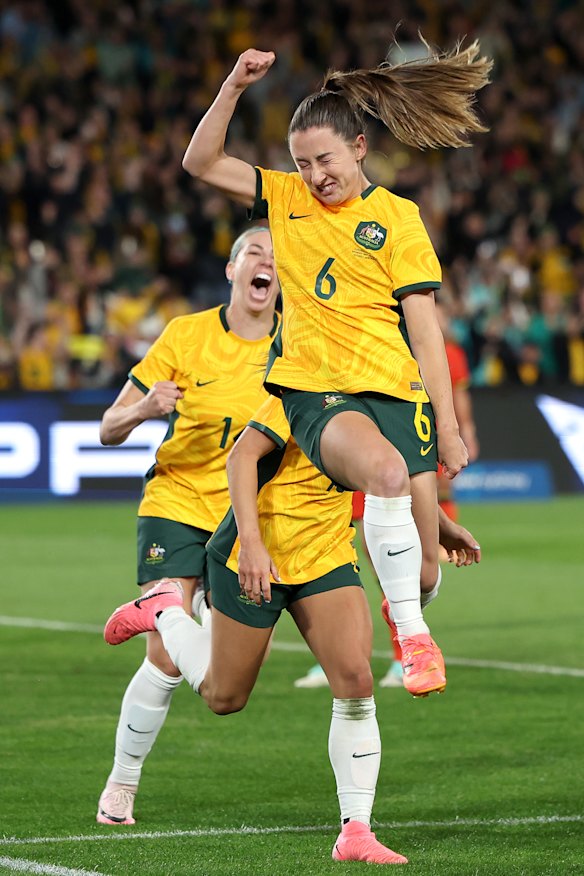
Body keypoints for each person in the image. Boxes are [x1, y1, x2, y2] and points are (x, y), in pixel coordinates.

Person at [179, 40, 492, 698]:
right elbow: (200, 161)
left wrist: (448, 427)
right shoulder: (286, 199)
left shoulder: (397, 219)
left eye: (324, 159)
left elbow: (424, 332)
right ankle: (412, 639)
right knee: (382, 476)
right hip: (318, 392)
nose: (315, 174)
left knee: (428, 571)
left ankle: (410, 610)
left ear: (358, 146)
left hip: (395, 399)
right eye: (302, 163)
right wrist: (234, 85)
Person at [103, 393, 482, 864]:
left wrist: (440, 523)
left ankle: (355, 830)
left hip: (325, 555)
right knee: (225, 696)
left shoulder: (381, 399)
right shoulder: (301, 392)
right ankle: (164, 611)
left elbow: (394, 475)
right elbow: (242, 456)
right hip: (254, 553)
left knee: (356, 680)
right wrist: (254, 545)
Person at [96, 227, 280, 826]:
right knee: (167, 660)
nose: (266, 265)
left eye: (277, 260)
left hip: (249, 515)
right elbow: (108, 428)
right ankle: (122, 785)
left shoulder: (298, 343)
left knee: (233, 670)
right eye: (255, 253)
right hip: (176, 501)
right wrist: (145, 408)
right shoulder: (186, 334)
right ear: (231, 270)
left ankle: (161, 610)